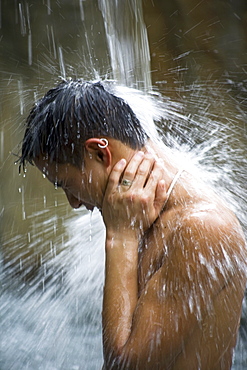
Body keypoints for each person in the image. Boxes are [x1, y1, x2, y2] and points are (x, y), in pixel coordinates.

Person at [19, 79, 247, 369]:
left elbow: (124, 366)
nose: (73, 202)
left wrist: (122, 238)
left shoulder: (201, 228)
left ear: (101, 153)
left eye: (64, 184)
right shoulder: (135, 207)